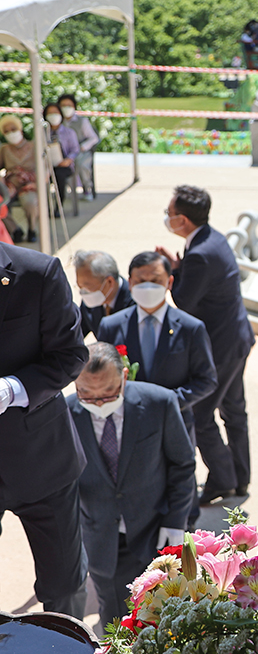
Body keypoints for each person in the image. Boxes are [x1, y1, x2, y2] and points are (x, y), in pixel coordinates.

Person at [66, 342, 195, 628]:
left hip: (157, 533)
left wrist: (175, 522)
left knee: (167, 621)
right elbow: (59, 481)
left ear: (124, 376)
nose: (99, 402)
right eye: (87, 394)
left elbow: (182, 465)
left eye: (108, 394)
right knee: (116, 624)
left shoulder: (159, 403)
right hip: (102, 541)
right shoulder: (63, 412)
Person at [0, 242, 90, 618]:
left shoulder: (38, 272)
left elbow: (71, 354)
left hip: (40, 461)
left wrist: (12, 388)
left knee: (64, 585)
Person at [156, 185, 255, 504]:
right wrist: (180, 265)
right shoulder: (214, 238)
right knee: (234, 411)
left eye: (169, 213)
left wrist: (172, 270)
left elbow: (183, 301)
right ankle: (240, 479)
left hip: (220, 347)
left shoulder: (198, 253)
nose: (167, 218)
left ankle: (223, 480)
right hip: (236, 338)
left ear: (182, 220)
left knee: (200, 412)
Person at [97, 251, 217, 446]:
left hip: (175, 427)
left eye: (155, 280)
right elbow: (102, 375)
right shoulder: (110, 326)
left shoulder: (191, 328)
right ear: (130, 283)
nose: (148, 286)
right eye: (141, 280)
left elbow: (206, 380)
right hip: (127, 429)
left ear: (169, 282)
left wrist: (167, 403)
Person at [73, 250, 134, 339]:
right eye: (80, 287)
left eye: (87, 287)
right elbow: (76, 334)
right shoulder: (90, 302)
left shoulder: (135, 303)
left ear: (109, 282)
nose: (84, 292)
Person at [0, 114, 39, 242]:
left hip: (30, 184)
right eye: (6, 131)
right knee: (1, 203)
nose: (11, 133)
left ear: (20, 129)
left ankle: (32, 229)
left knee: (30, 202)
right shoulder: (4, 149)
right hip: (11, 184)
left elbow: (44, 169)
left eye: (13, 129)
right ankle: (15, 229)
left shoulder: (34, 146)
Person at [58, 94, 101, 202]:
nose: (66, 108)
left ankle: (87, 188)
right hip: (62, 152)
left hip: (80, 152)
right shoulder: (57, 122)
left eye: (69, 105)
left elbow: (93, 138)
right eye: (63, 105)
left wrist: (81, 147)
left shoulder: (82, 121)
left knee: (81, 164)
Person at [43, 103, 80, 210]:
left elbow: (75, 149)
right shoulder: (42, 133)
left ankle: (58, 206)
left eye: (56, 112)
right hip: (47, 166)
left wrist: (68, 160)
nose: (53, 115)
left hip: (64, 165)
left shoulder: (69, 132)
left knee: (59, 176)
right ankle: (44, 207)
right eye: (50, 113)